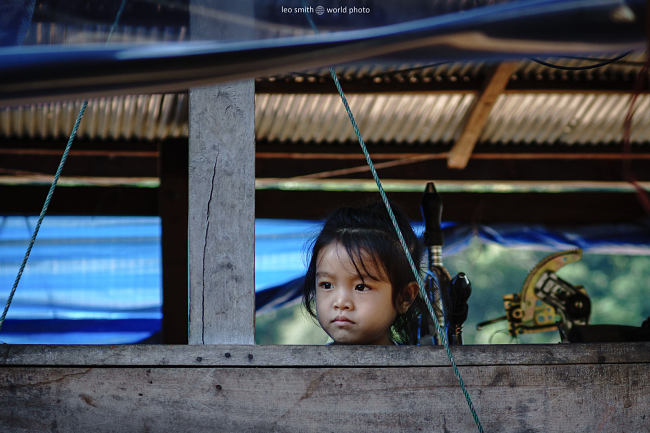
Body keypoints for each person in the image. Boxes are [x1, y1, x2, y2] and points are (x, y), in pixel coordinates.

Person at [302, 200, 424, 345]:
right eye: (327, 285)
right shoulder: (307, 366)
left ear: (405, 297)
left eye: (361, 287)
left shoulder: (418, 367)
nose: (340, 303)